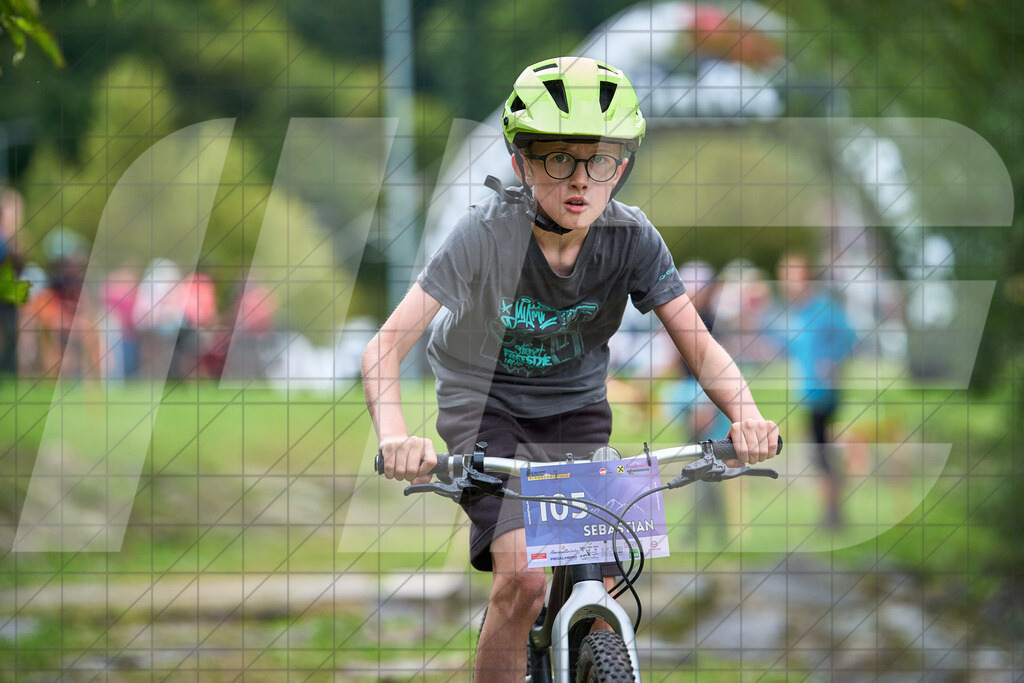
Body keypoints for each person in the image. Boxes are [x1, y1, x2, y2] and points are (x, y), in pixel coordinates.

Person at [362, 56, 779, 682]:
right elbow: (384, 348)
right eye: (558, 158)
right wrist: (395, 435)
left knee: (605, 582)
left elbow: (699, 345)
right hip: (486, 408)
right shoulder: (484, 235)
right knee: (525, 577)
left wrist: (745, 415)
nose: (580, 179)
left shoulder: (633, 239)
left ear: (623, 166)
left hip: (577, 411)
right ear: (520, 162)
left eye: (600, 160)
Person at [774, 252, 856, 527]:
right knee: (820, 453)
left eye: (793, 275)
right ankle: (831, 513)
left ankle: (833, 514)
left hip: (824, 392)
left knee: (822, 453)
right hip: (807, 393)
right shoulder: (797, 313)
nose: (789, 282)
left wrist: (831, 359)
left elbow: (849, 335)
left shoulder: (822, 306)